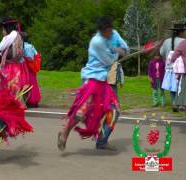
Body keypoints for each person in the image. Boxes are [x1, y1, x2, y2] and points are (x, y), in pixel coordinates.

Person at [57, 17, 125, 151]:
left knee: (114, 111)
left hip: (106, 81)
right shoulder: (97, 41)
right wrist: (117, 51)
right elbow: (109, 61)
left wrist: (121, 49)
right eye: (107, 31)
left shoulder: (114, 34)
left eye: (111, 30)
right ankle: (64, 133)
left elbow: (125, 47)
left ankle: (102, 141)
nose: (110, 34)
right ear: (100, 31)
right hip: (92, 79)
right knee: (81, 112)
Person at [0, 17, 29, 97]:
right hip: (19, 63)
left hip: (10, 64)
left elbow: (1, 47)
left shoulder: (10, 36)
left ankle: (11, 101)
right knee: (18, 83)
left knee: (11, 83)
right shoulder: (18, 34)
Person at [160, 24, 186, 112]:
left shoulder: (166, 41)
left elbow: (161, 53)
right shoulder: (184, 41)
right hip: (180, 68)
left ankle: (174, 103)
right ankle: (180, 105)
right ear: (181, 32)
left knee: (172, 87)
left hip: (169, 68)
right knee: (181, 86)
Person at [21, 32, 42, 108]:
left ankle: (30, 101)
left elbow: (30, 58)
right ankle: (33, 101)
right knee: (32, 83)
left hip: (28, 67)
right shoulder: (30, 46)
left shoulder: (25, 47)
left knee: (29, 83)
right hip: (31, 67)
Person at [171, 39, 186, 110]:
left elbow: (174, 55)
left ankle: (181, 104)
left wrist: (173, 60)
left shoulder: (184, 42)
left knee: (183, 86)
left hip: (185, 68)